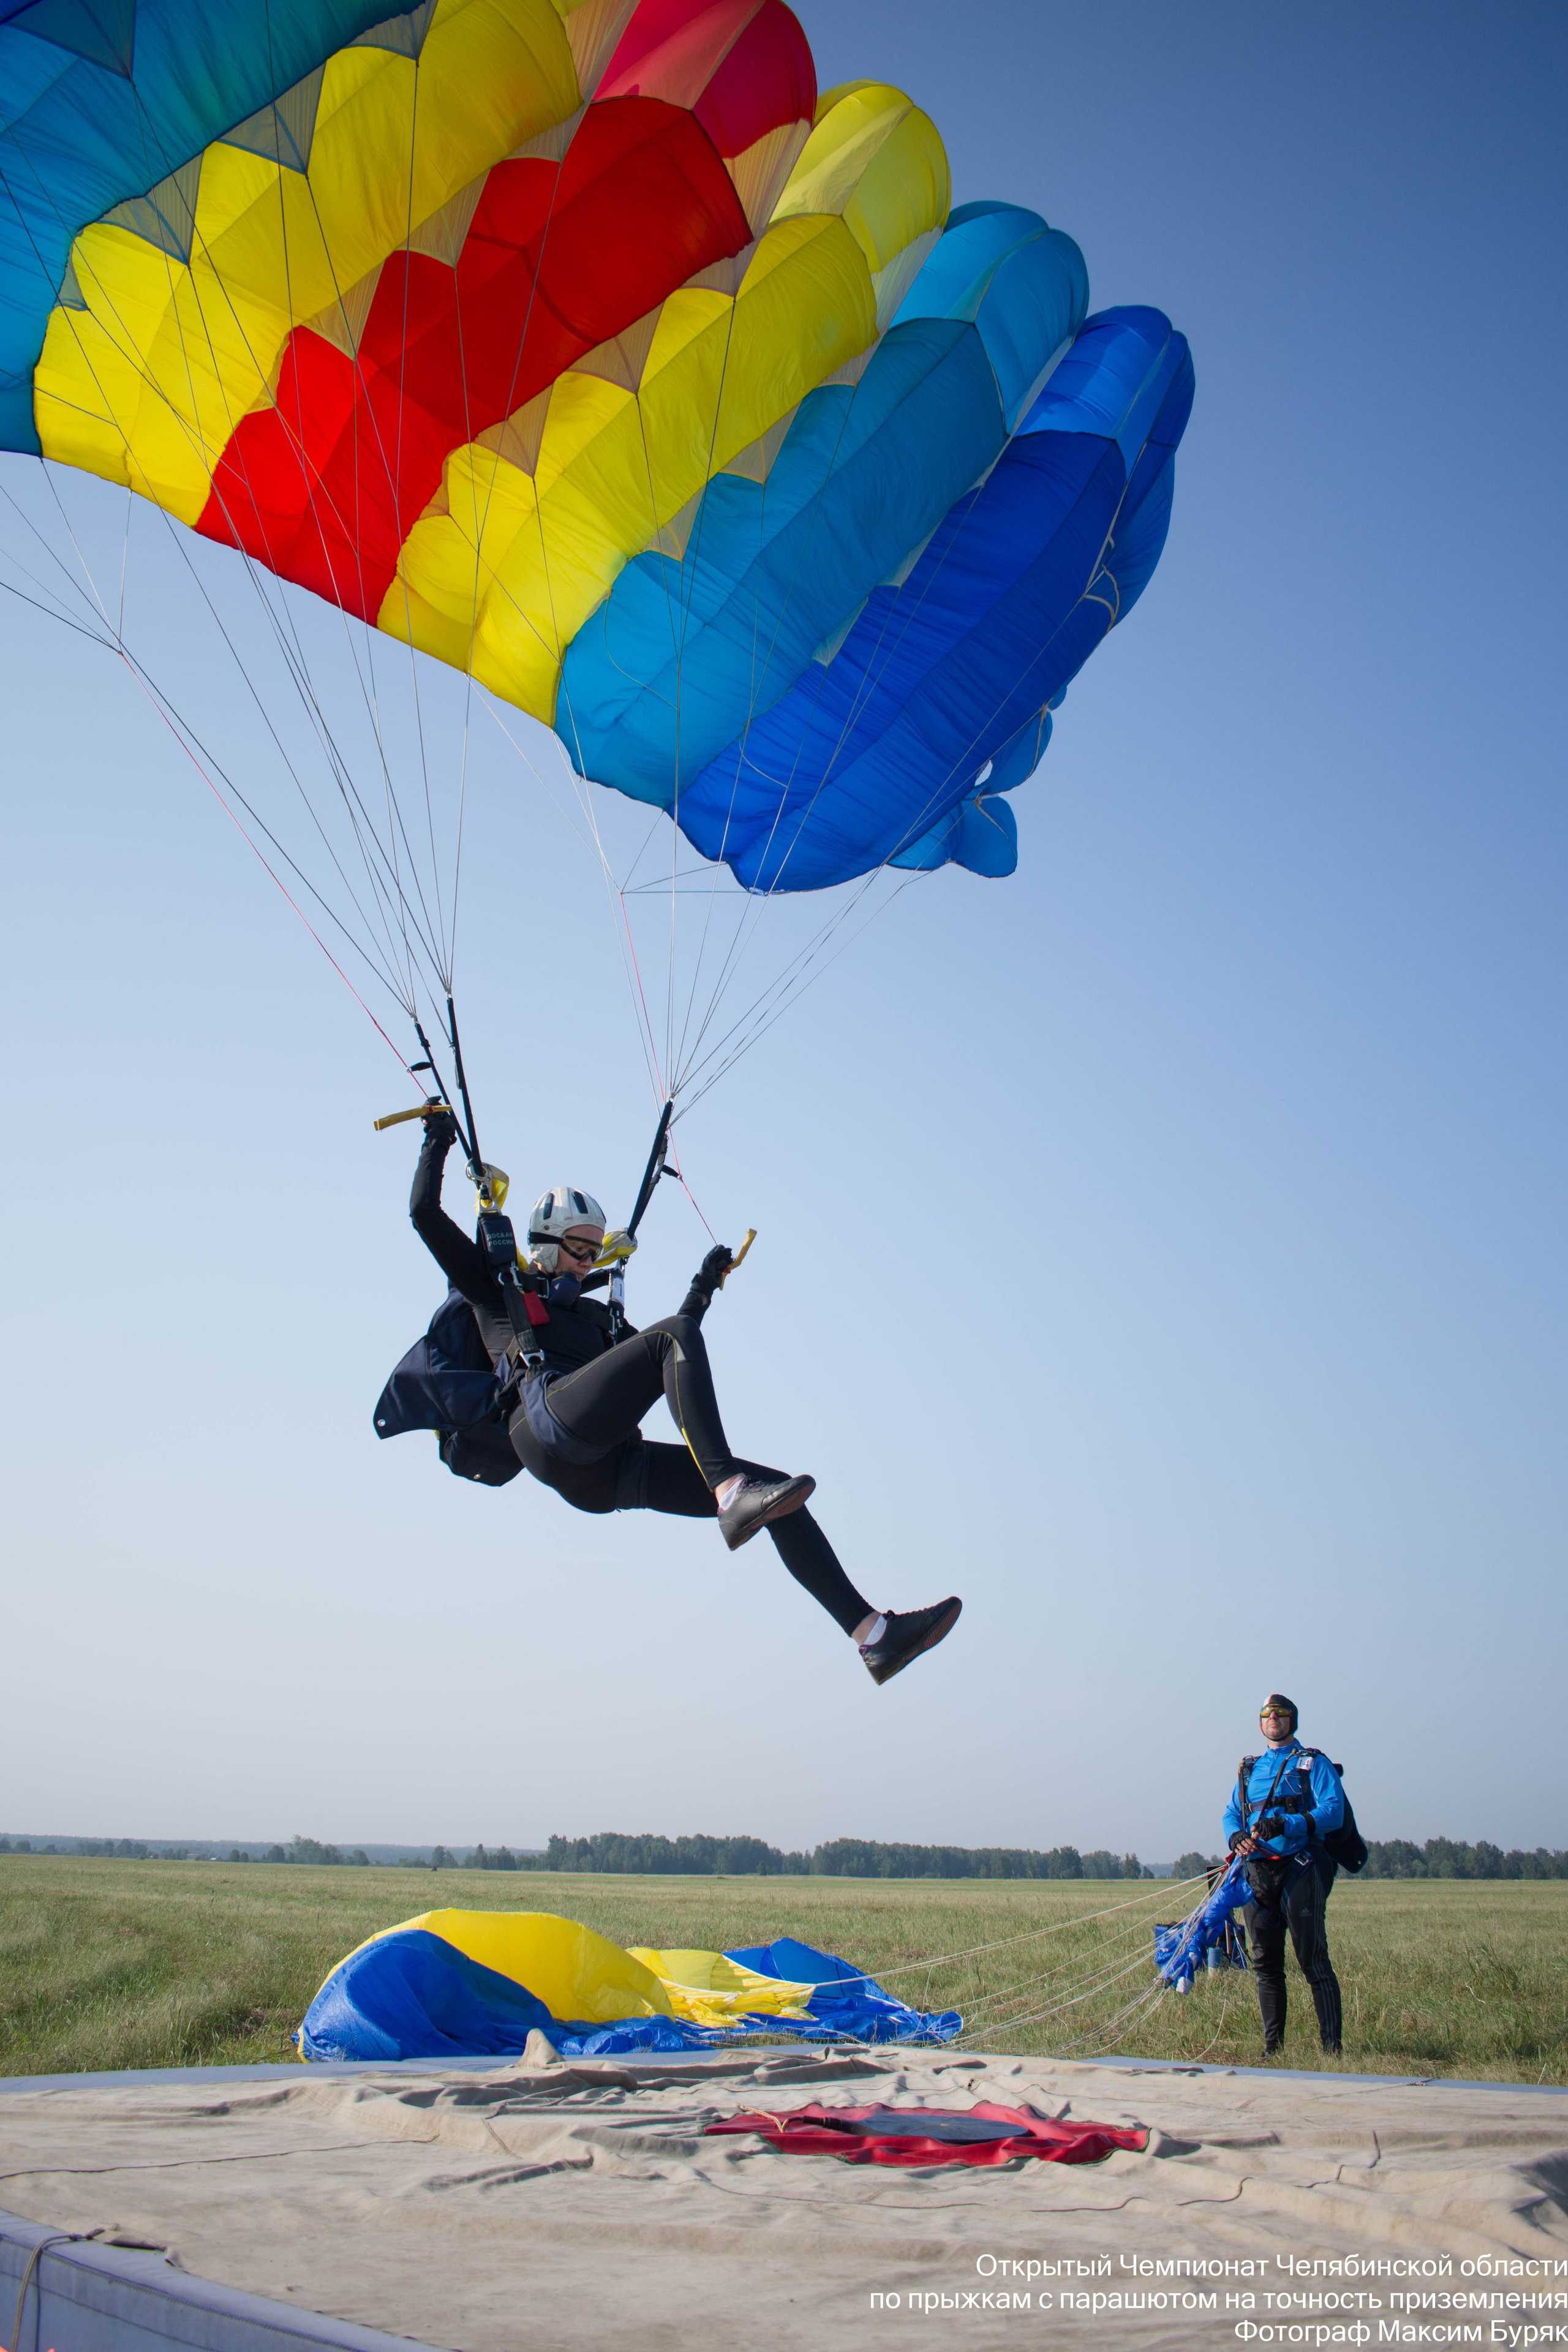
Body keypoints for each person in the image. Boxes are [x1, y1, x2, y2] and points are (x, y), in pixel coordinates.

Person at [407, 1107, 962, 1685]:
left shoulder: (596, 1319)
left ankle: (875, 1637)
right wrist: (437, 1139)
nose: (589, 1262)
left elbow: (673, 1352)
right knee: (678, 1356)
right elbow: (424, 1214)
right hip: (544, 1426)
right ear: (545, 1244)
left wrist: (703, 1286)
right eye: (578, 1249)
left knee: (778, 1494)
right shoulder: (498, 1290)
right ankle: (730, 1494)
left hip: (609, 1472)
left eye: (595, 1252)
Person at [1223, 1693, 1344, 2058]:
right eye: (1267, 1714)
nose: (1273, 1718)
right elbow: (1232, 1813)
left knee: (1312, 1959)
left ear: (1293, 1720)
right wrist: (1235, 1835)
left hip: (1299, 1867)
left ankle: (1332, 2050)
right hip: (1257, 1871)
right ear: (1261, 1723)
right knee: (1265, 1963)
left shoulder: (1313, 1763)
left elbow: (1333, 1812)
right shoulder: (1250, 1770)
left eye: (1281, 1713)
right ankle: (1273, 2050)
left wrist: (1287, 1823)